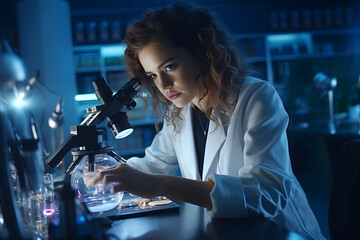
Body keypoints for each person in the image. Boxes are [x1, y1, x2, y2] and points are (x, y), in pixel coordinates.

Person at [90, 2, 325, 239]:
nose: (162, 85)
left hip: (279, 231)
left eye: (170, 66)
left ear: (201, 52)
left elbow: (266, 193)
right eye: (152, 75)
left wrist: (161, 185)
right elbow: (153, 164)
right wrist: (105, 174)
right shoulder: (181, 111)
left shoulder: (256, 97)